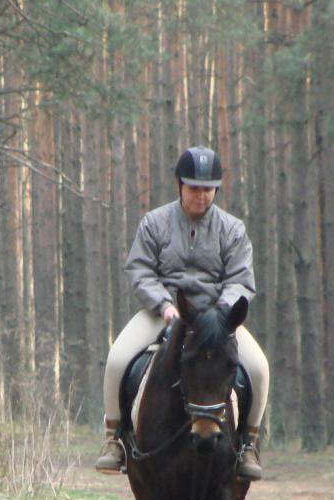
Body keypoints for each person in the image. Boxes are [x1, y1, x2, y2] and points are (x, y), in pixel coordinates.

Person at [95, 146, 270, 481]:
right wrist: (164, 305)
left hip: (215, 319)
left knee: (259, 369)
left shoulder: (233, 229)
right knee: (117, 358)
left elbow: (240, 279)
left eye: (208, 189)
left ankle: (249, 442)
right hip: (163, 311)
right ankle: (113, 438)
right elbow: (141, 270)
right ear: (179, 185)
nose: (201, 196)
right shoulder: (155, 222)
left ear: (216, 189)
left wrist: (219, 315)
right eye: (194, 188)